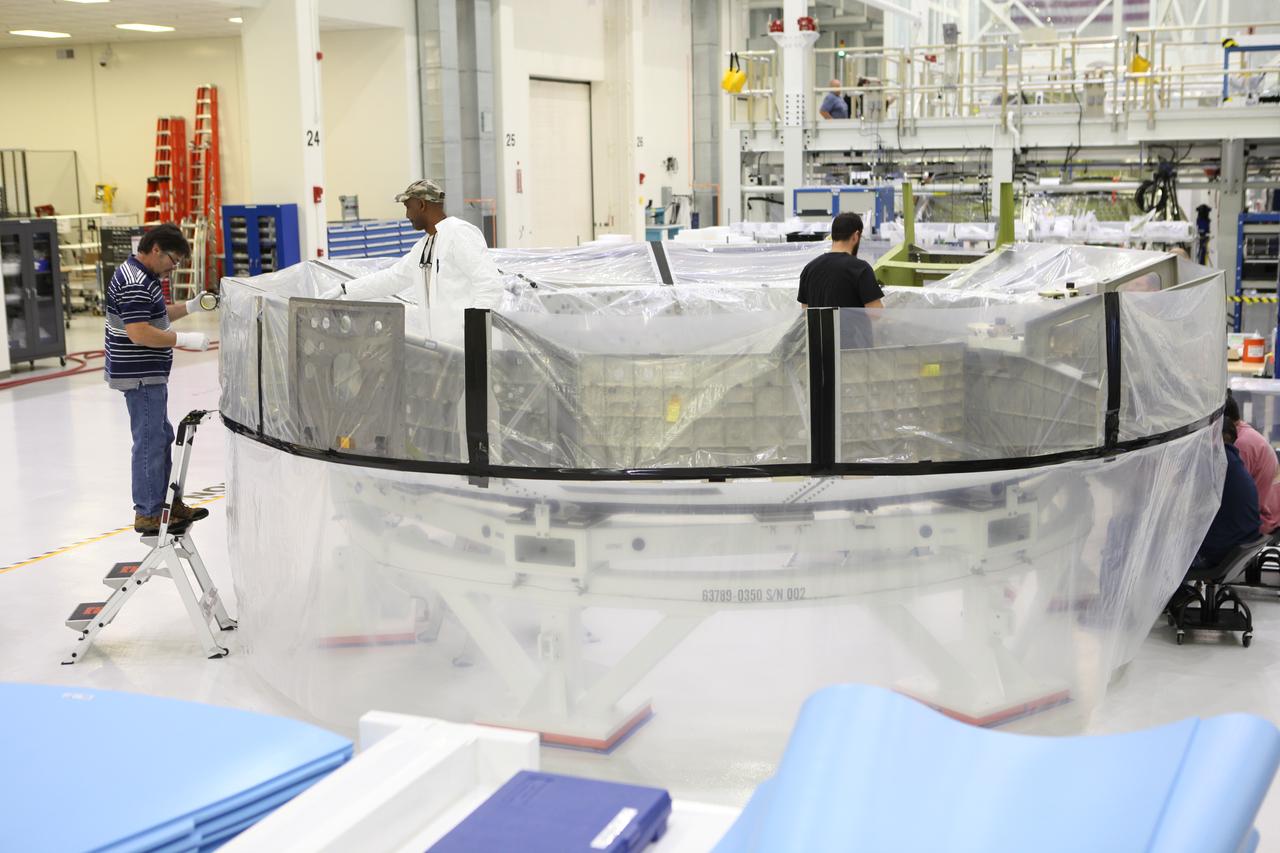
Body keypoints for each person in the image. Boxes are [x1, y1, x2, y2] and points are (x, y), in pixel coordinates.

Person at [104, 223, 213, 534]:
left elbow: (155, 315)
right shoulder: (135, 281)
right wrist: (183, 340)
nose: (173, 267)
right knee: (151, 442)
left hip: (147, 373)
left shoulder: (144, 276)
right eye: (172, 260)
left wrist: (191, 307)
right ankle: (149, 512)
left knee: (161, 436)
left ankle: (167, 504)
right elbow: (139, 333)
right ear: (155, 250)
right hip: (140, 375)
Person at [322, 179, 503, 347]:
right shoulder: (423, 247)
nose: (407, 214)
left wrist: (472, 331)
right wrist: (346, 289)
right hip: (444, 350)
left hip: (472, 348)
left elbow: (490, 286)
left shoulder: (459, 234)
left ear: (422, 204)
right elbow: (391, 278)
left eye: (408, 207)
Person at [798, 212, 884, 348]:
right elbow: (875, 313)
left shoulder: (809, 269)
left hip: (819, 352)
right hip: (853, 351)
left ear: (833, 235)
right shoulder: (860, 268)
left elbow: (805, 312)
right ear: (856, 236)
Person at [1225, 391, 1279, 534]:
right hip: (1268, 515)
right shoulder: (1245, 433)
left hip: (1262, 521)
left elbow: (1232, 494)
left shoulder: (1240, 445)